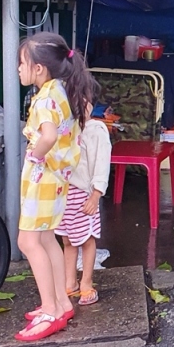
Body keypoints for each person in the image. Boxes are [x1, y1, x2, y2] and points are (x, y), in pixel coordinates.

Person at [14, 32, 91, 342]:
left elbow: (46, 135)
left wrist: (34, 155)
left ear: (39, 69)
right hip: (58, 180)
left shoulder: (45, 97)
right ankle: (61, 301)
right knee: (48, 239)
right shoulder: (62, 89)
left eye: (22, 63)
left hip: (41, 178)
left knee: (28, 242)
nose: (18, 69)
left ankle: (51, 310)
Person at [56, 80, 111, 306]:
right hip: (63, 193)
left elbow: (101, 164)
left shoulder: (96, 130)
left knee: (87, 240)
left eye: (85, 101)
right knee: (68, 240)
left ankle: (86, 282)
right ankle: (70, 282)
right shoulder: (65, 129)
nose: (81, 105)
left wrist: (96, 194)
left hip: (84, 195)